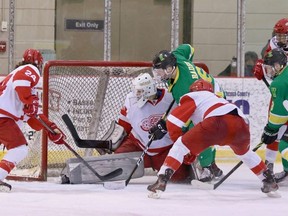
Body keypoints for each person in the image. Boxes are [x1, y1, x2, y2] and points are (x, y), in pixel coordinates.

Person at [147, 79, 279, 198]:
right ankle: (269, 180)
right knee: (246, 153)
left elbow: (173, 122)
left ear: (193, 90)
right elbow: (208, 138)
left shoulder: (192, 96)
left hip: (216, 122)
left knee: (179, 146)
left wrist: (182, 145)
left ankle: (162, 180)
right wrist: (192, 151)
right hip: (242, 125)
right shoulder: (217, 99)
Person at [151, 44, 224, 182]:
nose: (158, 75)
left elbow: (186, 116)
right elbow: (189, 48)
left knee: (198, 129)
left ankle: (208, 167)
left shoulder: (182, 87)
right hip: (205, 89)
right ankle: (213, 165)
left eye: (160, 72)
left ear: (170, 68)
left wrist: (165, 125)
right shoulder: (176, 57)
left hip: (213, 97)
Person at [0, 49, 66, 192]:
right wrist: (30, 101)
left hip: (3, 115)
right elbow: (22, 84)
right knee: (19, 149)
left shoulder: (18, 80)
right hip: (2, 116)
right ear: (39, 64)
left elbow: (33, 116)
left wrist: (52, 129)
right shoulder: (30, 69)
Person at [114, 73, 192, 183]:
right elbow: (124, 124)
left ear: (149, 90)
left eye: (140, 91)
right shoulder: (131, 99)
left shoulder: (171, 98)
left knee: (180, 177)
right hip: (138, 145)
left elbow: (184, 124)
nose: (136, 94)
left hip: (165, 149)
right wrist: (113, 143)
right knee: (115, 163)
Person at [253, 18, 288, 183]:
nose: (280, 39)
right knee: (275, 129)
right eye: (278, 35)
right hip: (282, 95)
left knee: (280, 133)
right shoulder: (271, 46)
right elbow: (275, 80)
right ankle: (269, 166)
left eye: (284, 36)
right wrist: (262, 68)